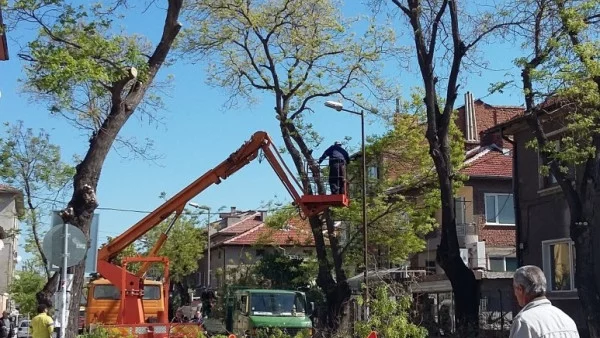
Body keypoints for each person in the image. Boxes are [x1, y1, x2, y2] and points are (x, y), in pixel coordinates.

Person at [510, 265, 579, 338]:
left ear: (520, 289)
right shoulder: (567, 320)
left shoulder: (524, 322)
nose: (515, 294)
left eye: (514, 288)